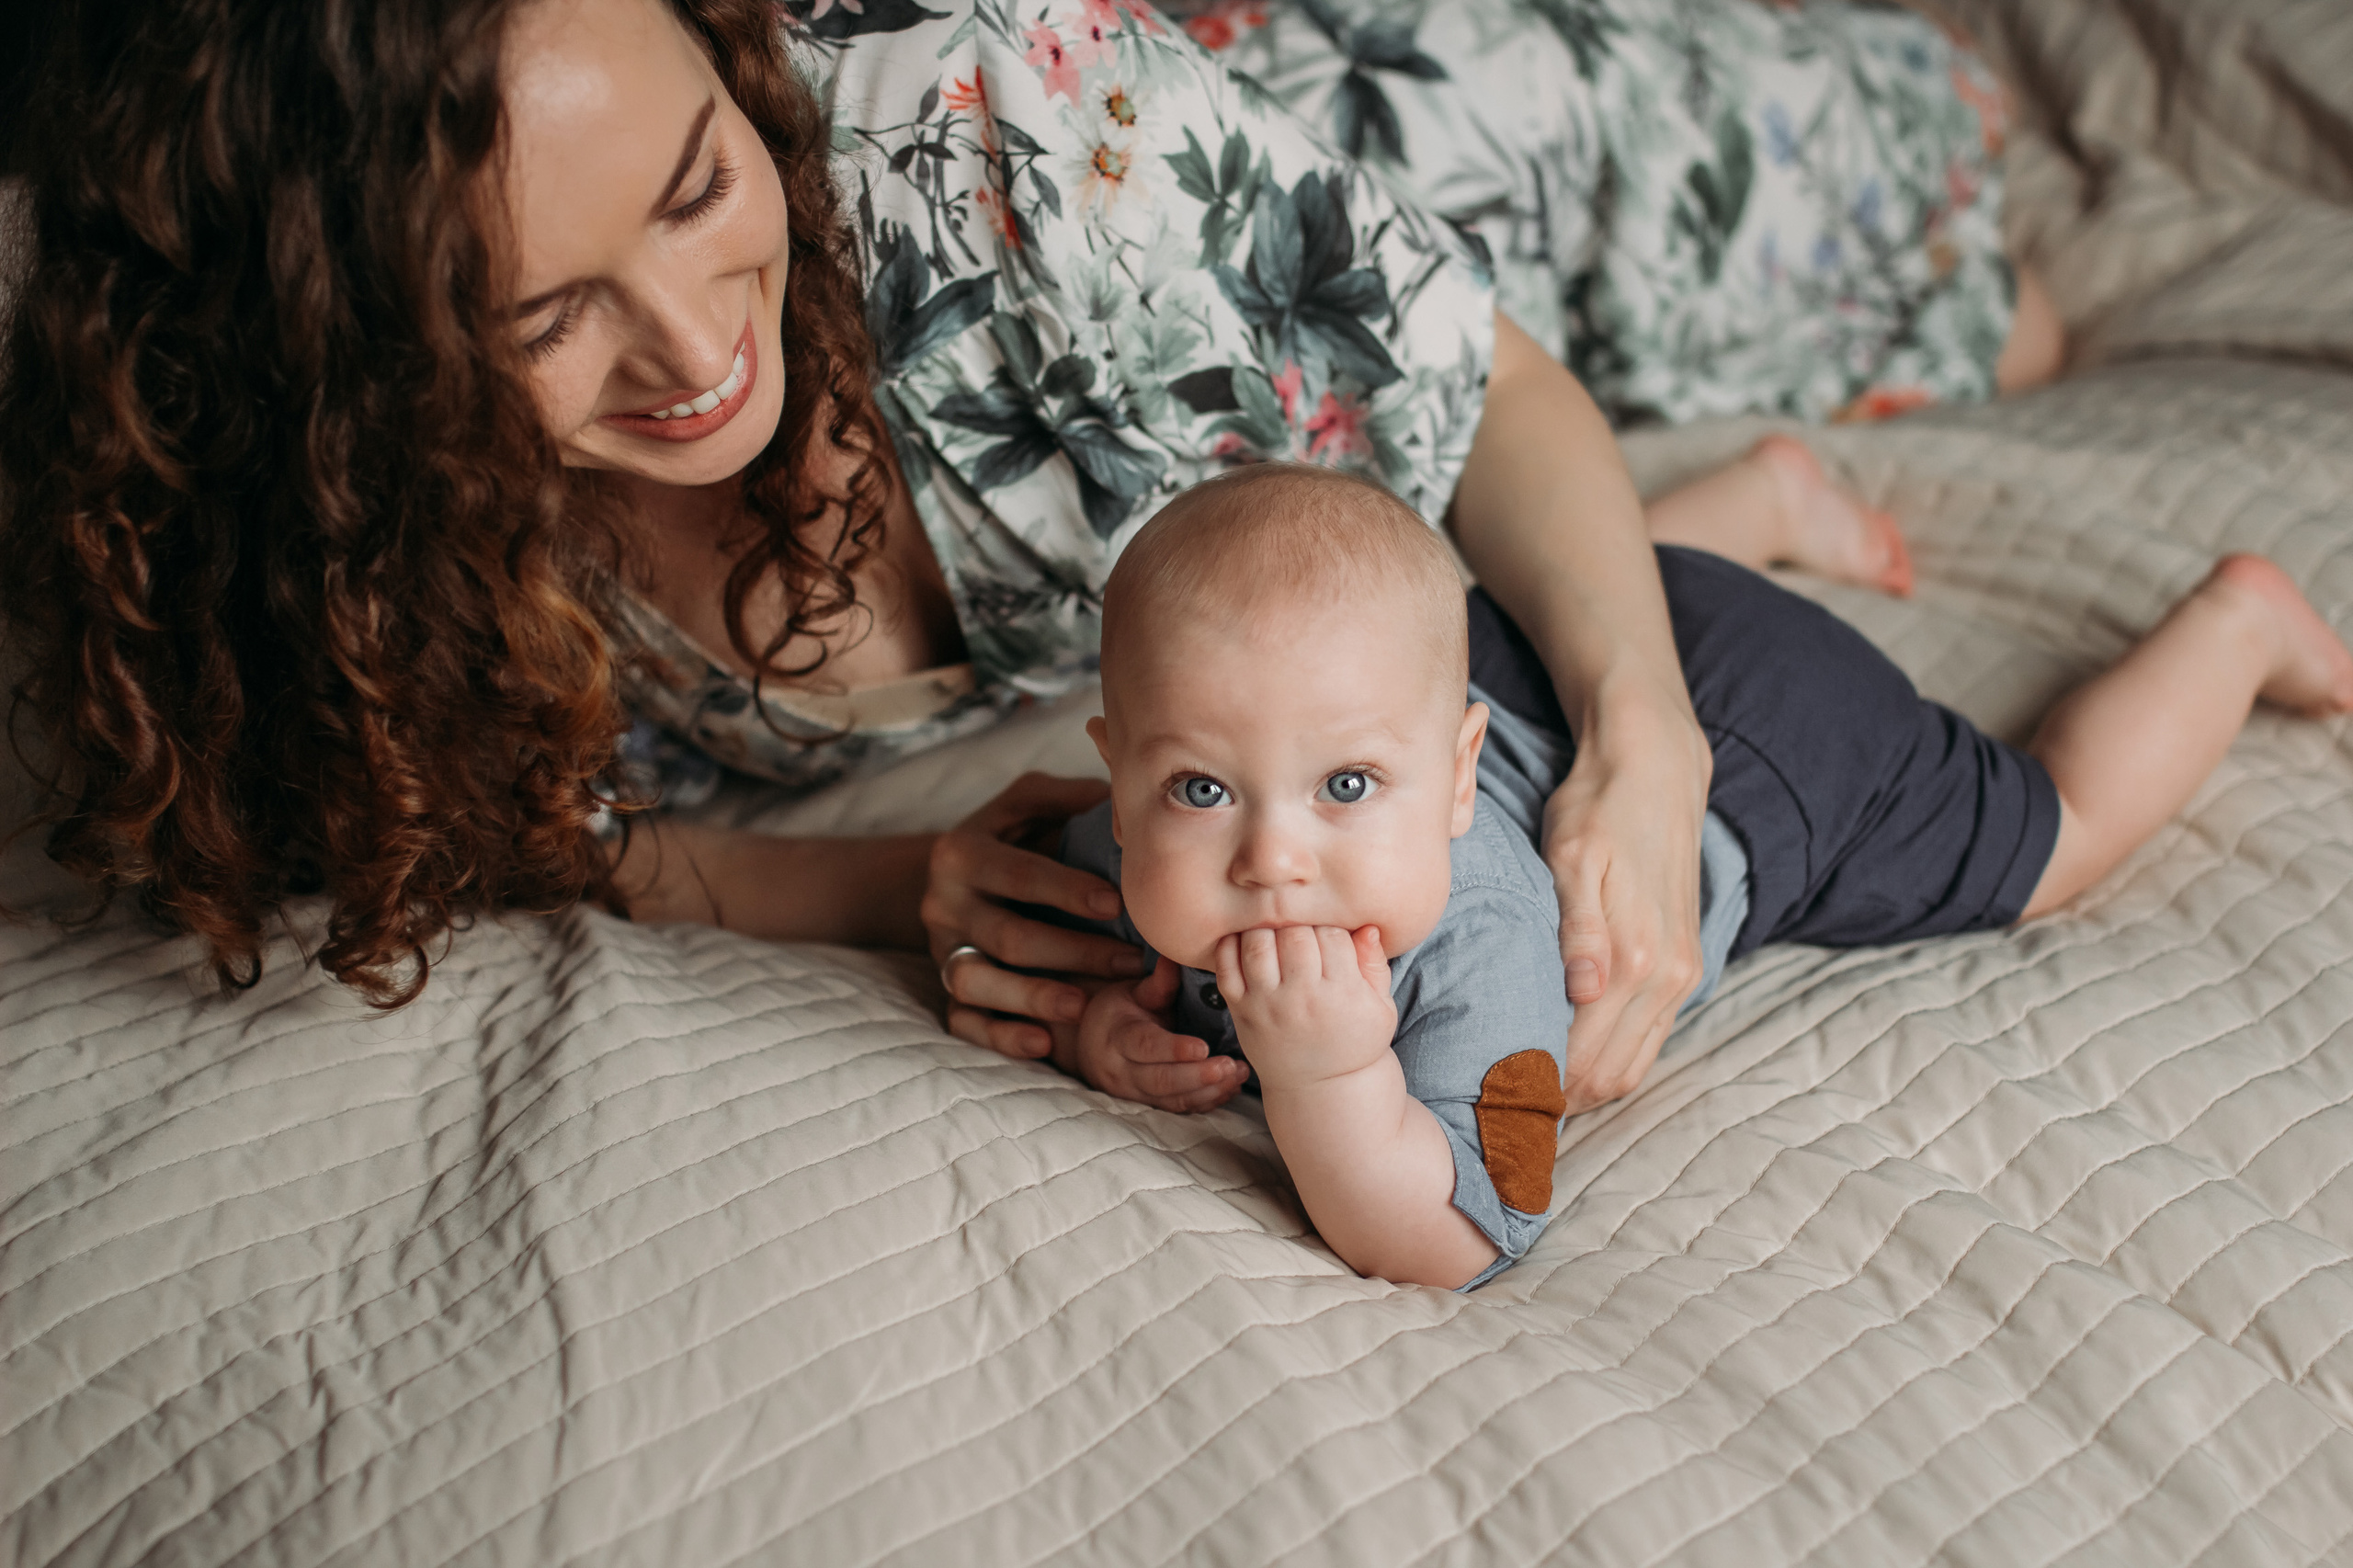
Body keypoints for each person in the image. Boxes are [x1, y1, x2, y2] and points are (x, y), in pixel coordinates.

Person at [0, 0, 2044, 1109]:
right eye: (537, 321)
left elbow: (1478, 383)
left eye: (703, 183)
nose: (697, 344)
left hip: (1381, 142)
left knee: (1973, 246)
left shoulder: (983, 125)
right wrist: (900, 880)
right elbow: (519, 831)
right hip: (1225, 380)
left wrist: (1644, 729)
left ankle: (1754, 453)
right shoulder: (336, 551)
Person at [1038, 463, 2353, 1289]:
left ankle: (2236, 627)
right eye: (1202, 788)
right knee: (1439, 629)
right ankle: (1770, 497)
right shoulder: (1151, 838)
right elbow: (1071, 943)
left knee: (2053, 836)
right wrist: (1107, 1025)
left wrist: (1329, 1078)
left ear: (1452, 778)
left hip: (1764, 739)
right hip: (1560, 645)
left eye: (1346, 790)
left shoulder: (1481, 949)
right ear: (1124, 767)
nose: (1274, 859)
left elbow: (1459, 1236)